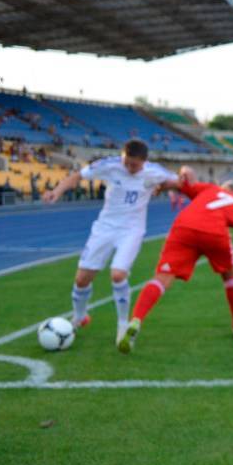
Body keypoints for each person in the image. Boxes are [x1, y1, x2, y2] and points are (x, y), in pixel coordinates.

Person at [118, 169, 233, 353]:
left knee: (162, 277)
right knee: (230, 275)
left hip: (184, 227)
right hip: (214, 233)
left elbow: (179, 184)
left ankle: (136, 320)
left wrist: (161, 186)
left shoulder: (209, 189)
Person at [43, 139, 178, 344]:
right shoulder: (110, 165)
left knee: (118, 274)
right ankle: (80, 317)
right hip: (104, 228)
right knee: (82, 279)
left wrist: (167, 188)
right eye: (127, 162)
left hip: (131, 230)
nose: (130, 167)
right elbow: (77, 176)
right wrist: (57, 192)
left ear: (144, 161)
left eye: (135, 165)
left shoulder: (154, 171)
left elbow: (179, 181)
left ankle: (123, 326)